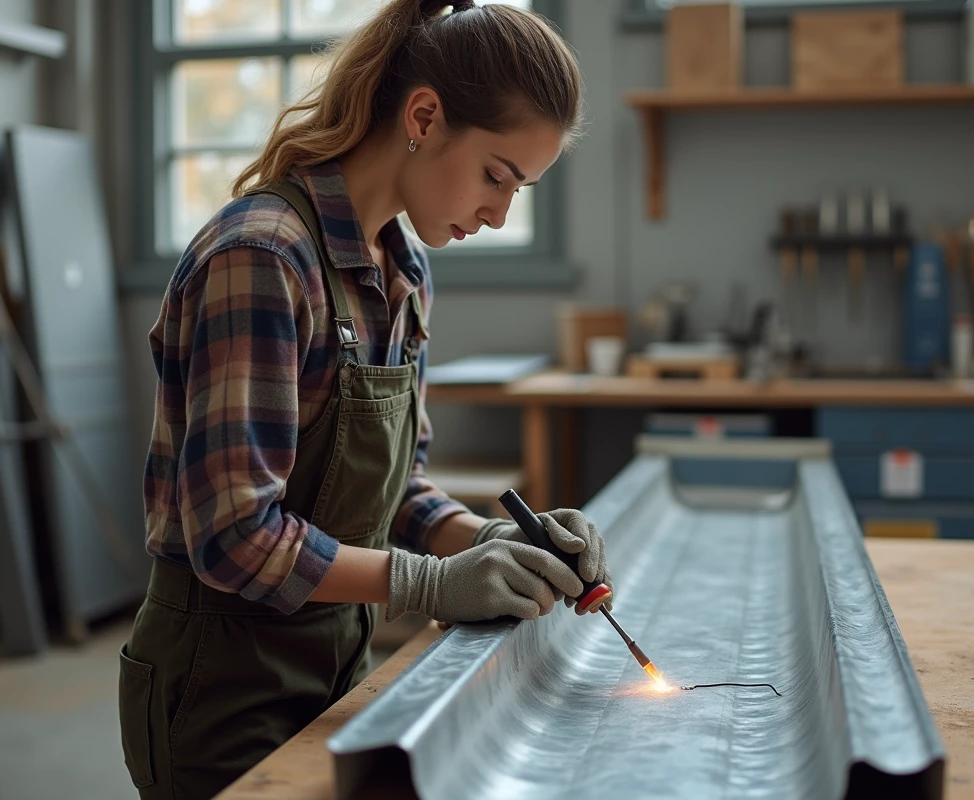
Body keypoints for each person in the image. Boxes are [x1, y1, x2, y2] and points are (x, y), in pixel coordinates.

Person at [117, 2, 611, 797]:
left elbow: (398, 490)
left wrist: (496, 543)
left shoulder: (404, 269)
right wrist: (430, 586)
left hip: (341, 661)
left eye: (521, 189)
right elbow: (236, 537)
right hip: (220, 687)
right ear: (423, 115)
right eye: (496, 175)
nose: (498, 213)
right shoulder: (262, 258)